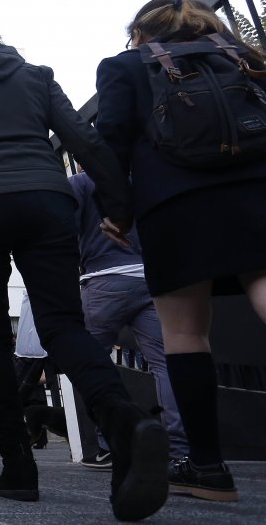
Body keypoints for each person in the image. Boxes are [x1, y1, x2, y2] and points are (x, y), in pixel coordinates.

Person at [0, 6, 169, 521]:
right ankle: (122, 421)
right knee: (62, 324)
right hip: (46, 201)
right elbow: (82, 139)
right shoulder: (35, 76)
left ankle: (19, 469)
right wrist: (118, 204)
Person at [95, 0, 266, 502]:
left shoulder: (126, 65)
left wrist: (118, 210)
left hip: (177, 204)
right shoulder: (237, 53)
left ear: (142, 35)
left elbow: (111, 139)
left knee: (185, 334)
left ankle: (209, 468)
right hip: (265, 196)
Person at [68, 169, 189, 467]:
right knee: (165, 362)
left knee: (92, 363)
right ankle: (179, 447)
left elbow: (66, 229)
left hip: (103, 279)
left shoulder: (82, 181)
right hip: (149, 276)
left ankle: (110, 442)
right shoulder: (146, 177)